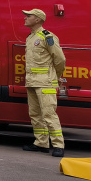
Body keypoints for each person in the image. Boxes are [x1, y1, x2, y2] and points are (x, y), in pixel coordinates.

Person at [21, 9, 66, 157]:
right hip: (32, 82)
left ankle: (58, 145)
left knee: (49, 114)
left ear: (38, 19)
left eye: (29, 16)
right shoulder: (30, 37)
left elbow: (60, 60)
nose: (25, 18)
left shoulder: (48, 37)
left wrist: (55, 76)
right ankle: (41, 143)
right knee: (35, 114)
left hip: (46, 83)